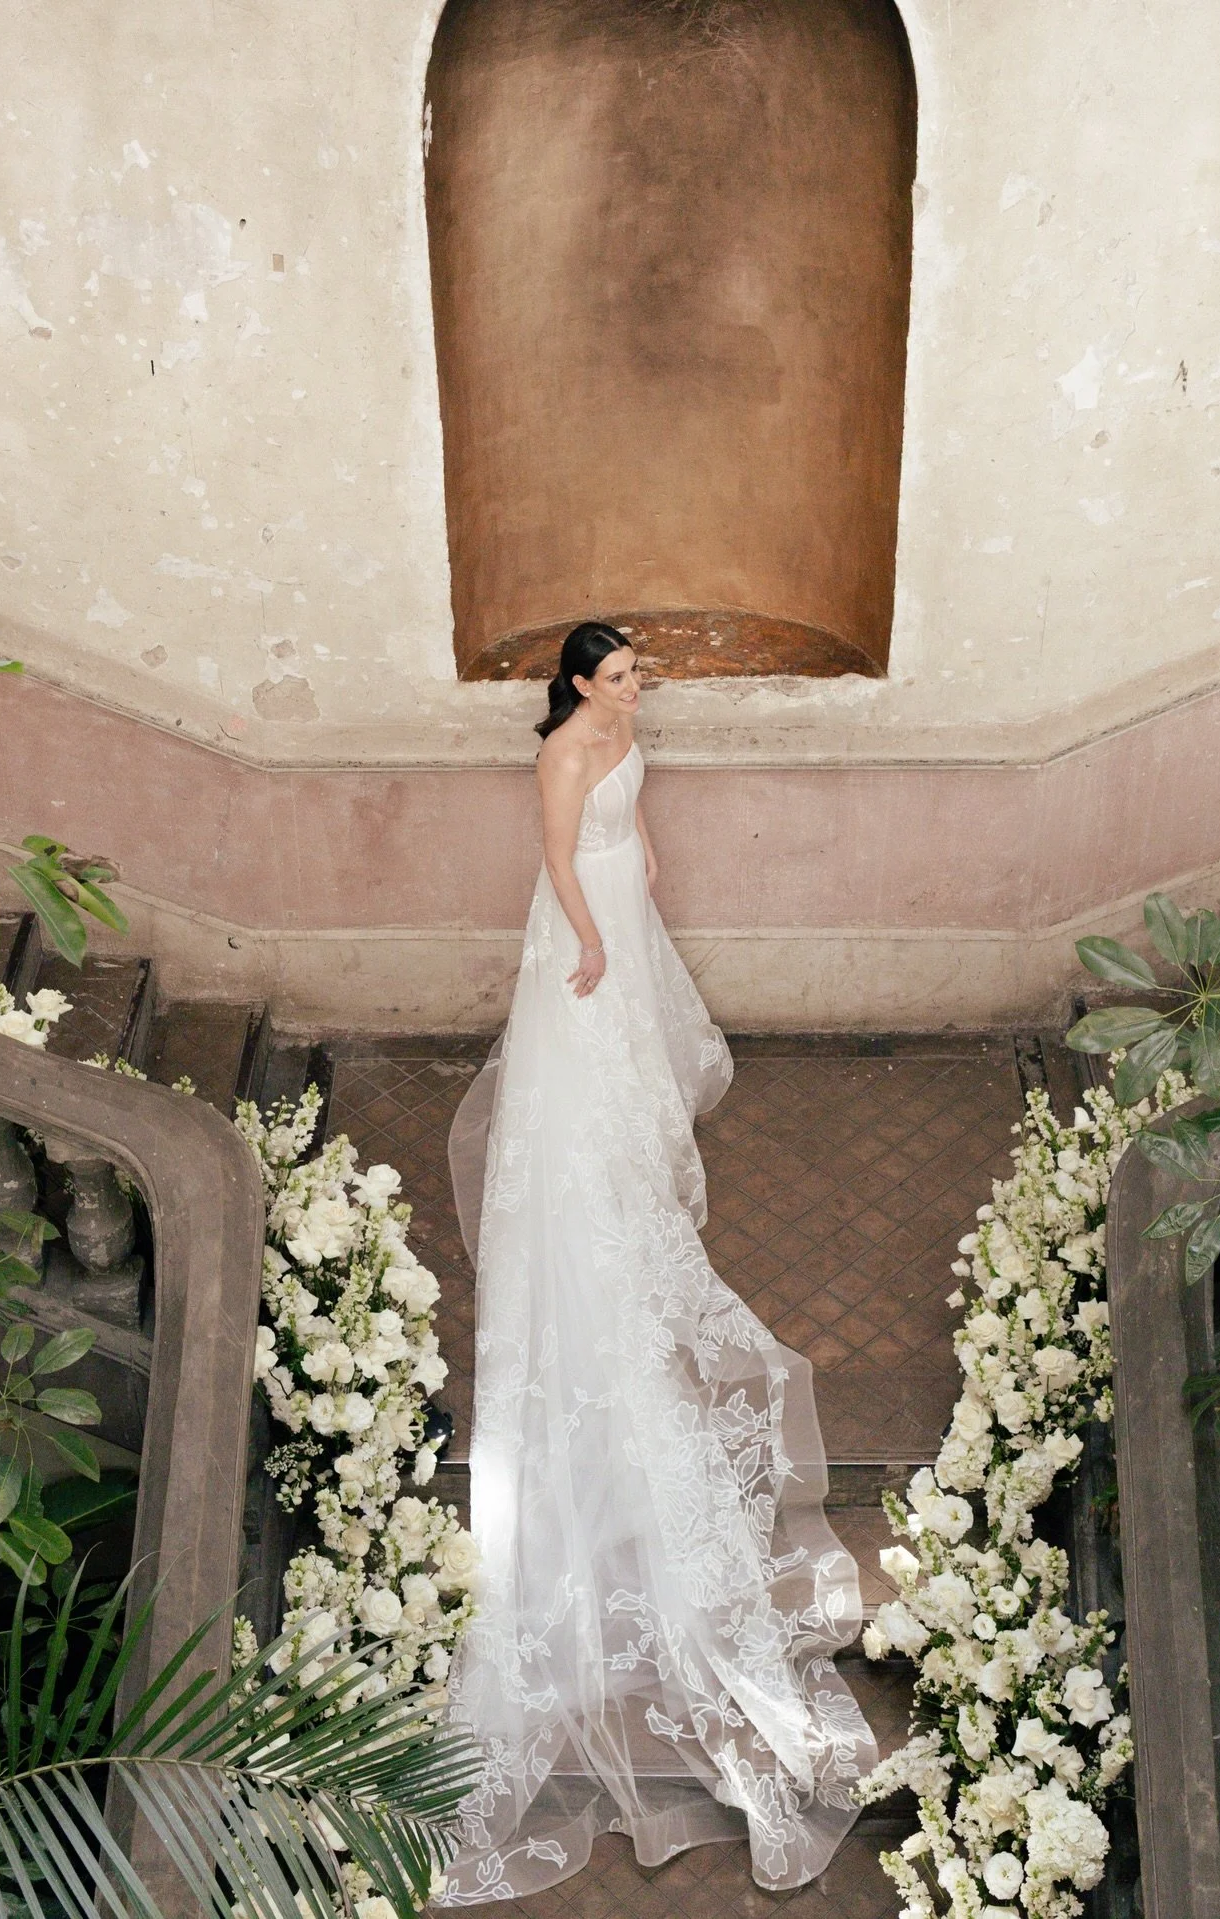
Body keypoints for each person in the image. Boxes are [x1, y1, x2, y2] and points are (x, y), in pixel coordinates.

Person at [440, 622, 874, 1903]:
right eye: (621, 676)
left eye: (637, 674)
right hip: (583, 919)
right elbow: (558, 854)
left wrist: (647, 884)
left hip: (624, 904)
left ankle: (632, 1129)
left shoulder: (624, 734)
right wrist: (589, 939)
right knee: (581, 1081)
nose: (638, 688)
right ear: (580, 684)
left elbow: (631, 824)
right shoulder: (564, 751)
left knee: (639, 1063)